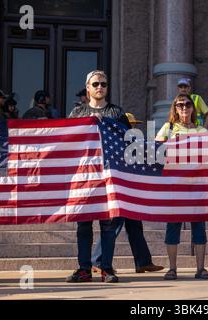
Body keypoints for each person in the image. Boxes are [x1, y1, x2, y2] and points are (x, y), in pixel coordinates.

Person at [66, 70, 127, 283]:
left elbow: (127, 142)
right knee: (83, 224)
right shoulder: (77, 113)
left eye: (103, 83)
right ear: (88, 88)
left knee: (108, 225)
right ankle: (84, 269)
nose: (99, 87)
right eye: (95, 84)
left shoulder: (117, 113)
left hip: (109, 175)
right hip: (84, 176)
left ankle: (105, 268)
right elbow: (67, 143)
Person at [90, 111, 164, 275]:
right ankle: (97, 260)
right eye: (132, 125)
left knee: (135, 225)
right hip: (120, 189)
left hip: (130, 189)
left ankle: (143, 262)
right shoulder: (117, 142)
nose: (135, 128)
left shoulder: (132, 142)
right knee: (114, 225)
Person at [156, 94, 208, 280]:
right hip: (175, 185)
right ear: (174, 108)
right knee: (172, 226)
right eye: (180, 105)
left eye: (187, 104)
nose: (184, 108)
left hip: (197, 185)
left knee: (199, 225)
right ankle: (172, 269)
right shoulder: (168, 128)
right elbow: (156, 153)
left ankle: (200, 269)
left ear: (193, 108)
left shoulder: (202, 131)